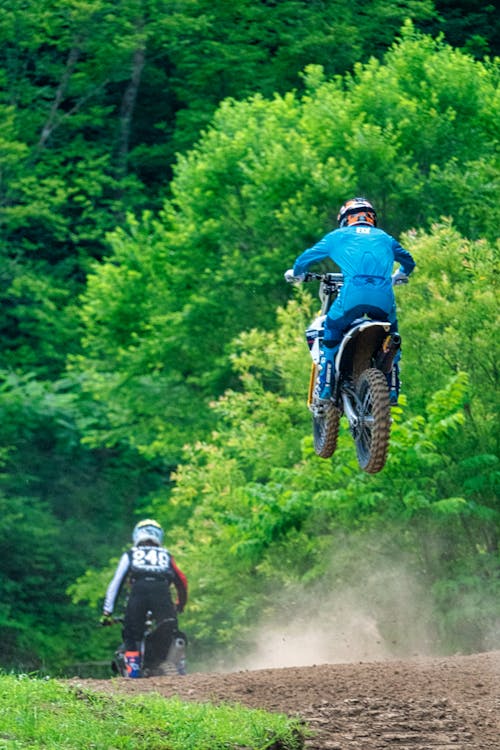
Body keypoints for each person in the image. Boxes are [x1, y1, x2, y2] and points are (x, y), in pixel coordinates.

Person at [286, 197, 415, 403]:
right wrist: (399, 275)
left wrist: (299, 273)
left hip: (352, 295)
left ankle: (327, 383)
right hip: (383, 298)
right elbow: (409, 261)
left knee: (331, 326)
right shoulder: (385, 238)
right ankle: (392, 384)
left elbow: (306, 258)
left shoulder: (338, 236)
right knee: (393, 335)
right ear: (372, 219)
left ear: (346, 219)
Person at [101, 518, 188, 675]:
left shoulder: (131, 554)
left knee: (131, 633)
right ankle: (175, 666)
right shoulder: (166, 555)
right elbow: (181, 580)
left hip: (138, 592)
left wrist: (107, 611)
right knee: (170, 627)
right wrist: (181, 603)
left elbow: (117, 582)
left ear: (136, 535)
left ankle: (133, 672)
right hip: (162, 591)